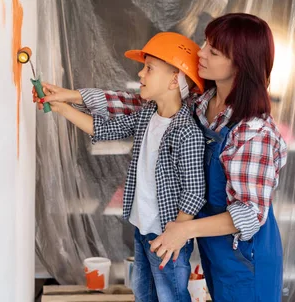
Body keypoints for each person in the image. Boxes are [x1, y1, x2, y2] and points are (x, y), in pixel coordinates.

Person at [35, 13, 287, 302]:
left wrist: (182, 228)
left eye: (213, 51)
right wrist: (71, 97)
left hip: (247, 254)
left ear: (240, 65)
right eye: (205, 43)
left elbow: (249, 213)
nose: (200, 52)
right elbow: (141, 104)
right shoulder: (200, 102)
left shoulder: (254, 132)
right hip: (212, 244)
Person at [36, 32, 206, 302]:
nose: (140, 74)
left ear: (175, 80)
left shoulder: (187, 132)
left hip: (166, 236)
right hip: (142, 227)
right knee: (143, 292)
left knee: (171, 295)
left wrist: (177, 235)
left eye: (149, 68)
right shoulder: (147, 114)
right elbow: (104, 128)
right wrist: (63, 108)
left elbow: (195, 191)